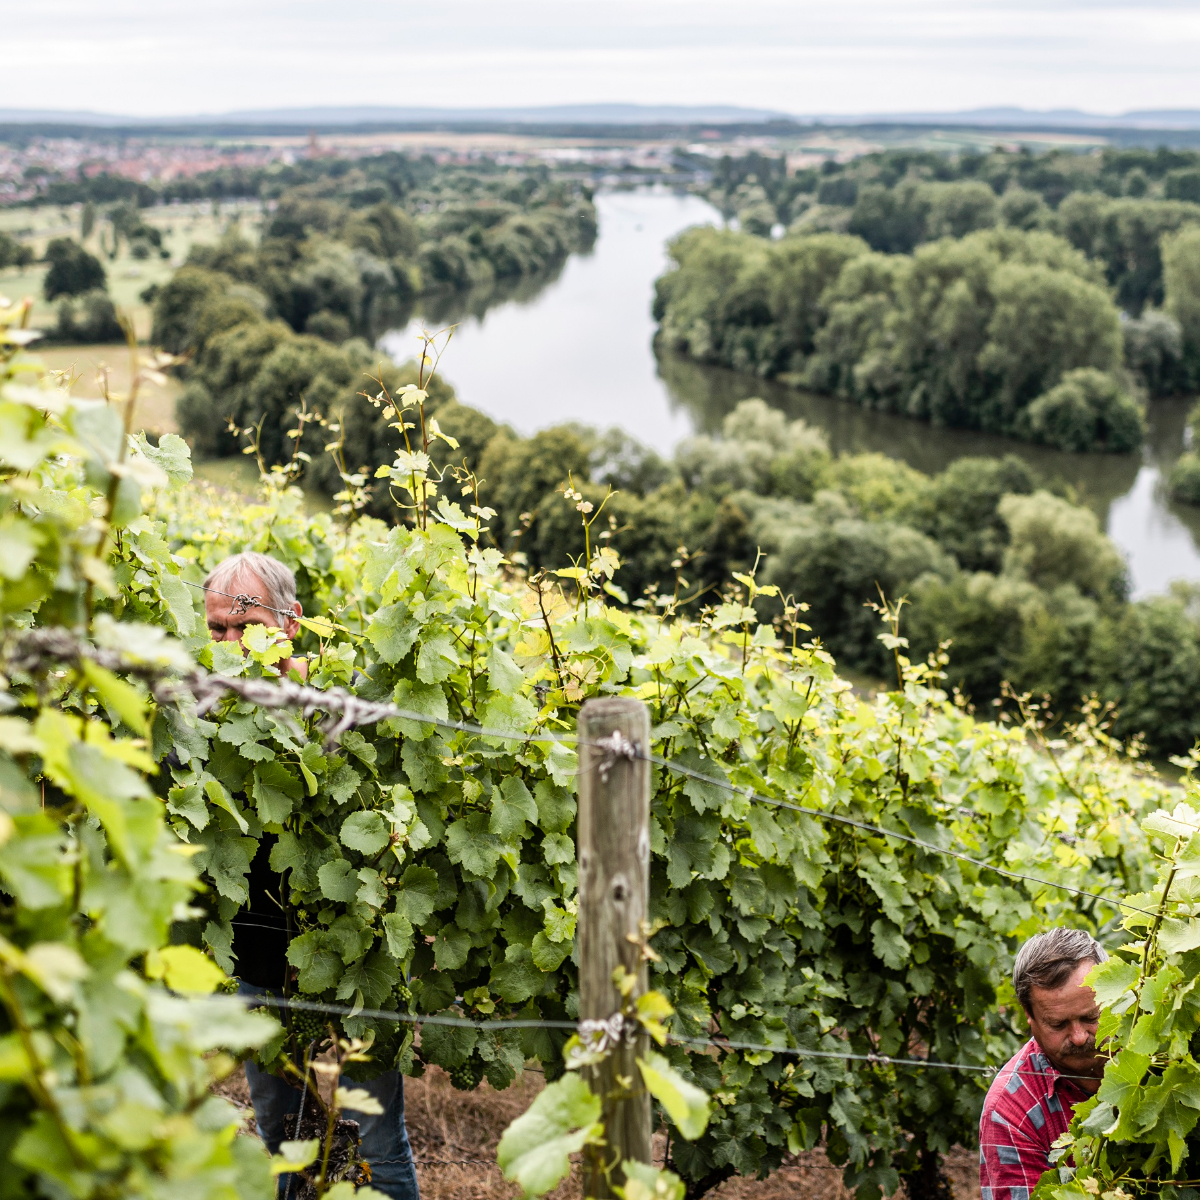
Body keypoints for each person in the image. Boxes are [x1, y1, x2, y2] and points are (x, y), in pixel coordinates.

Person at [202, 551, 419, 1200]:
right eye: (218, 631)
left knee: (377, 1142)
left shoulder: (339, 715)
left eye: (247, 627)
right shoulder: (202, 718)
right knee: (283, 1133)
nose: (232, 645)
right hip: (260, 958)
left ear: (292, 624)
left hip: (355, 962)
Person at [979, 928, 1108, 1200]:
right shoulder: (1009, 1111)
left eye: (1090, 1017)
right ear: (1029, 1015)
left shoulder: (1158, 1050)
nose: (1078, 1036)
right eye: (1058, 1024)